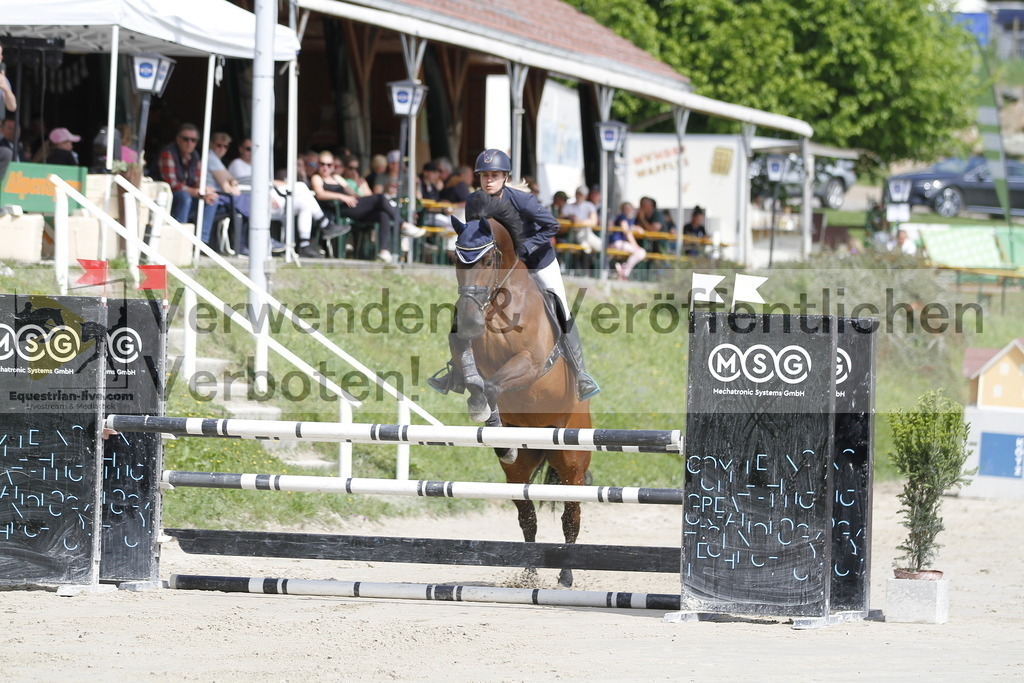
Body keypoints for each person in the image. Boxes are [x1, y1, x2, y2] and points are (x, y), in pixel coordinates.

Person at [427, 149, 600, 401]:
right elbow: (478, 234)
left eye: (494, 175)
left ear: (505, 177)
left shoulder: (521, 200)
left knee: (560, 306)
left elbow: (552, 225)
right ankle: (456, 371)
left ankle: (581, 374)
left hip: (537, 260)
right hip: (499, 264)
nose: (488, 180)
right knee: (470, 301)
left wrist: (526, 248)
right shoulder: (474, 201)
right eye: (484, 175)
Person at [229, 139, 348, 259]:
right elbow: (249, 184)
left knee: (305, 204)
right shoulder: (237, 164)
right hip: (255, 202)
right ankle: (325, 224)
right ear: (241, 149)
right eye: (248, 149)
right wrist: (267, 193)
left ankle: (304, 244)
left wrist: (273, 184)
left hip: (270, 200)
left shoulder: (256, 165)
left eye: (254, 149)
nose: (251, 152)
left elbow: (265, 182)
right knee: (301, 186)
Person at [309, 149, 423, 262]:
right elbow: (320, 194)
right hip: (341, 209)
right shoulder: (317, 178)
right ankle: (403, 224)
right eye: (322, 164)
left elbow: (353, 193)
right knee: (380, 197)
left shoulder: (336, 178)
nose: (325, 167)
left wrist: (362, 190)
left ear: (333, 166)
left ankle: (383, 251)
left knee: (383, 214)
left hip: (353, 205)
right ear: (318, 165)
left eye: (329, 165)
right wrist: (341, 196)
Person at [158, 123, 218, 235]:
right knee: (184, 197)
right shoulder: (168, 153)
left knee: (213, 199)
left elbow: (198, 181)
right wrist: (195, 191)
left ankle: (201, 241)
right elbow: (172, 184)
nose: (189, 143)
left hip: (188, 194)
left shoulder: (195, 156)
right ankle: (179, 236)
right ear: (178, 139)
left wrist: (204, 191)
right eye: (186, 139)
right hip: (167, 195)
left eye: (193, 140)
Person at [609, 202, 646, 281]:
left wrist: (637, 228)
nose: (628, 210)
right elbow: (626, 231)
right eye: (626, 208)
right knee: (641, 252)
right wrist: (636, 246)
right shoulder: (622, 217)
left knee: (641, 253)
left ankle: (623, 270)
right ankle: (624, 272)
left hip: (620, 244)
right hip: (616, 243)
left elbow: (630, 227)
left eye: (630, 208)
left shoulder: (628, 219)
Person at [560, 185, 602, 254]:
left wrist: (579, 222)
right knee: (585, 247)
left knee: (599, 245)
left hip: (586, 232)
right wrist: (570, 218)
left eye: (581, 194)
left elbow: (593, 222)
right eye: (578, 194)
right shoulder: (568, 206)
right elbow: (560, 219)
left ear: (585, 196)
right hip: (572, 233)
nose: (579, 196)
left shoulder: (589, 206)